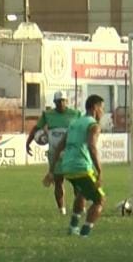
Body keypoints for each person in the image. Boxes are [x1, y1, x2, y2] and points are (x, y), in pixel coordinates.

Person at [49, 95, 105, 237]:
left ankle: (73, 227)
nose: (103, 112)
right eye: (102, 108)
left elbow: (59, 146)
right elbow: (92, 147)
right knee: (99, 200)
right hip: (81, 167)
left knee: (82, 193)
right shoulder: (93, 125)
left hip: (67, 167)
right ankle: (84, 233)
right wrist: (99, 171)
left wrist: (51, 170)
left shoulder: (75, 122)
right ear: (95, 108)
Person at [26, 91, 78, 215]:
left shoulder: (75, 114)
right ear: (54, 102)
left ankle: (79, 206)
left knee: (77, 182)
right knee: (58, 181)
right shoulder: (48, 115)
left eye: (63, 100)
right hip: (55, 154)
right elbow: (36, 128)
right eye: (59, 101)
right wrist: (28, 142)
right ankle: (62, 210)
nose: (61, 103)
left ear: (67, 101)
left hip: (71, 153)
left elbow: (83, 128)